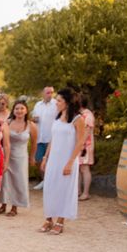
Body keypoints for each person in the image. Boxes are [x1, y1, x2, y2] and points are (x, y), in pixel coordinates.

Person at [39, 88, 86, 235]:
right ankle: (48, 219)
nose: (56, 103)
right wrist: (45, 158)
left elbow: (80, 142)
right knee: (49, 188)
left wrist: (70, 162)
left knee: (64, 190)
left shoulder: (78, 120)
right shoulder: (57, 117)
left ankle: (60, 220)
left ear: (67, 102)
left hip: (68, 159)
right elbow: (53, 139)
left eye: (59, 100)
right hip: (53, 159)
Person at [0, 100, 38, 217]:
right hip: (6, 154)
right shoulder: (7, 123)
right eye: (17, 108)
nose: (19, 111)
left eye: (22, 108)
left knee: (19, 180)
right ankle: (3, 205)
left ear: (26, 110)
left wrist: (32, 157)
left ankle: (14, 206)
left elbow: (34, 143)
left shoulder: (31, 125)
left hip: (21, 156)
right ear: (13, 110)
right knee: (5, 180)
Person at [31, 86, 57, 190]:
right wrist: (34, 119)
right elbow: (33, 117)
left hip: (51, 138)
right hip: (39, 137)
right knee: (38, 160)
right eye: (47, 92)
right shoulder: (38, 105)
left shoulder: (56, 104)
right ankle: (44, 180)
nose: (50, 94)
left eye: (51, 92)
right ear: (43, 93)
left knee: (50, 161)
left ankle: (50, 182)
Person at [78, 96, 95, 201]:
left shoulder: (88, 115)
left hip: (85, 146)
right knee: (79, 168)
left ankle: (86, 192)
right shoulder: (80, 115)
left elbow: (87, 132)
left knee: (85, 168)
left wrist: (81, 144)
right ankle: (78, 191)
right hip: (80, 145)